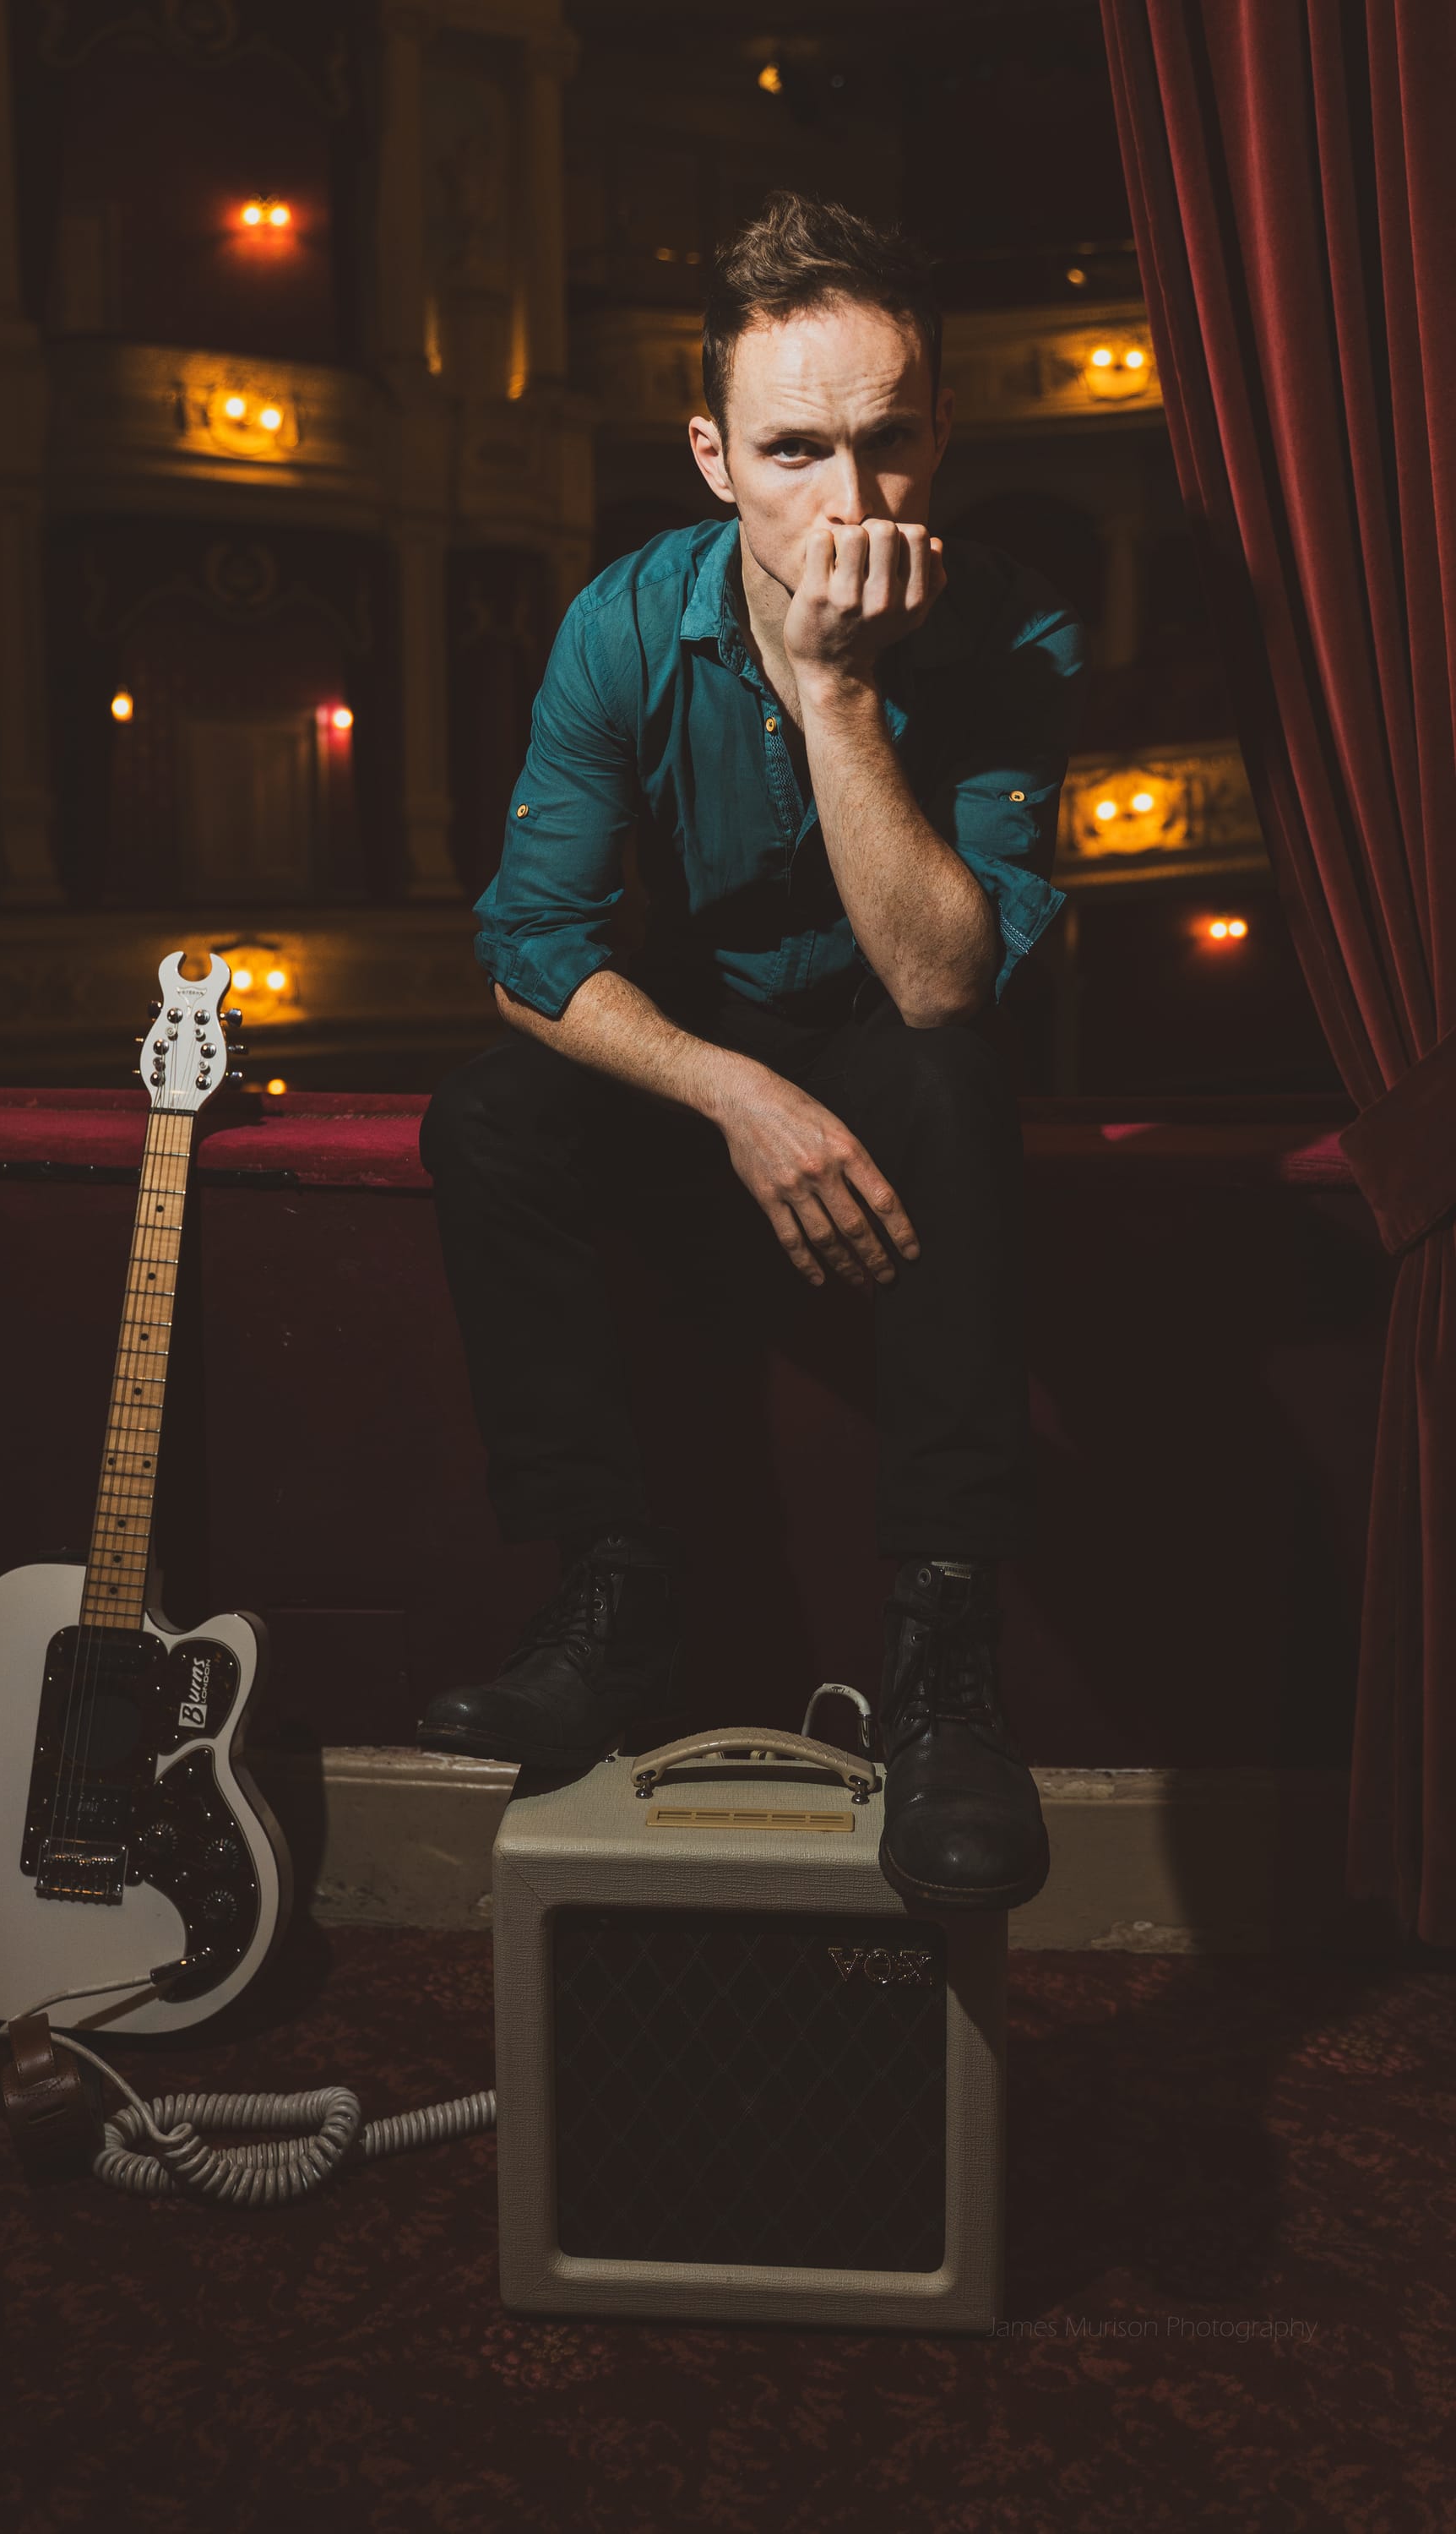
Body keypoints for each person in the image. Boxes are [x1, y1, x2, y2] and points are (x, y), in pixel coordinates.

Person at [413, 192, 1087, 1912]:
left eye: (886, 442)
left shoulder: (1014, 628)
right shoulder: (625, 624)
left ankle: (944, 1667)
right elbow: (529, 950)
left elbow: (943, 986)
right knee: (486, 1116)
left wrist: (836, 690)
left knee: (951, 1075)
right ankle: (612, 1595)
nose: (850, 502)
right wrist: (732, 1091)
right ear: (715, 458)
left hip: (893, 1061)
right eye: (794, 450)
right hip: (710, 1052)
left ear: (942, 432)